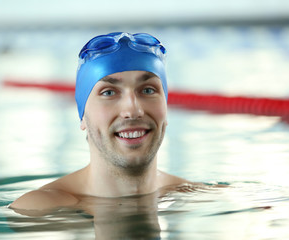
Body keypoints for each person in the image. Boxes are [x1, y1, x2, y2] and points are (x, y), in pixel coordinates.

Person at [10, 32, 200, 213]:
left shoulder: (195, 197)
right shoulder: (39, 211)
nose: (133, 110)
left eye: (148, 90)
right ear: (82, 116)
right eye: (108, 92)